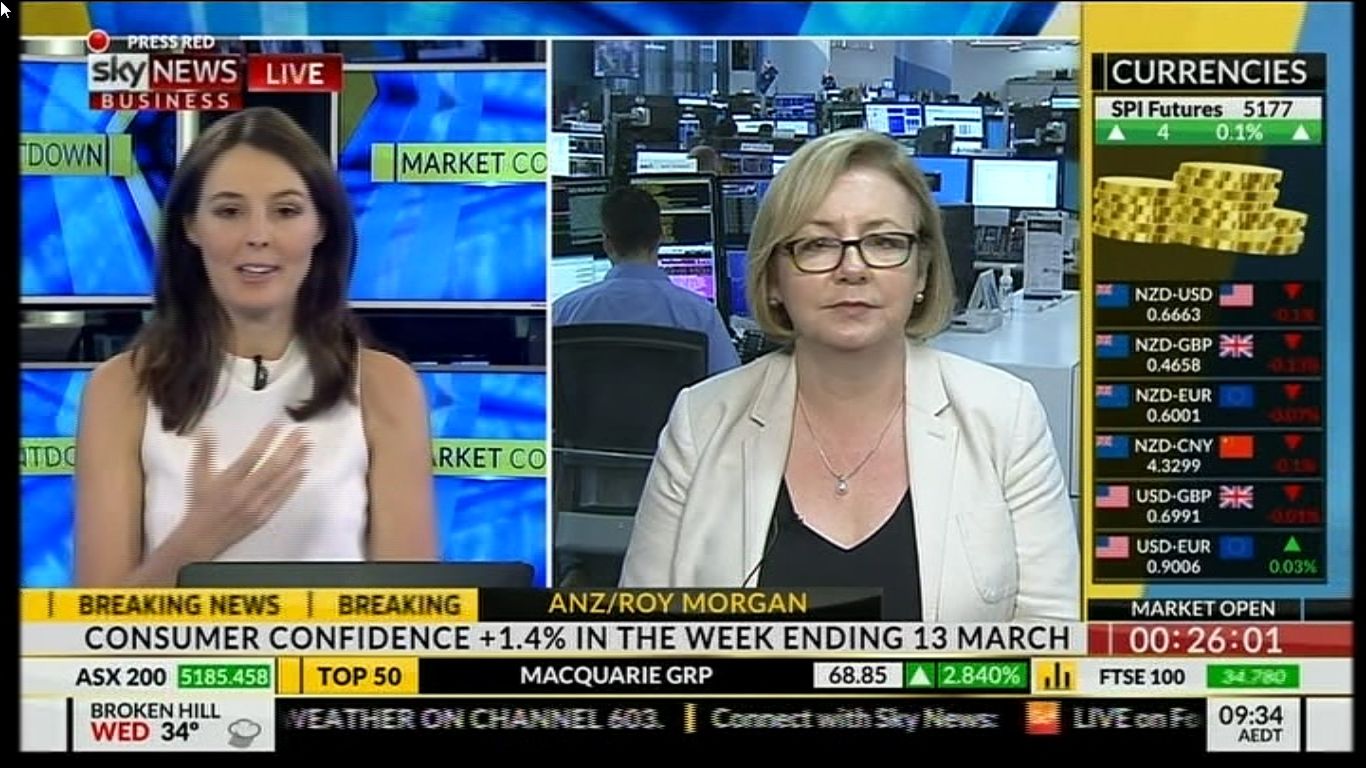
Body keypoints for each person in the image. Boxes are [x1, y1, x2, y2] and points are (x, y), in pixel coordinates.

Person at [620, 130, 1078, 622]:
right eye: (818, 244)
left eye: (884, 242)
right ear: (773, 278)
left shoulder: (1005, 417)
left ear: (922, 273)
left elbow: (1050, 637)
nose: (853, 268)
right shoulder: (701, 421)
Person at [74, 107, 437, 587]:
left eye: (286, 211)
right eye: (229, 212)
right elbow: (92, 624)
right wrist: (197, 543)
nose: (258, 236)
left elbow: (416, 617)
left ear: (321, 226)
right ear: (190, 226)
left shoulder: (386, 387)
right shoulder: (120, 390)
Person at [553, 186, 740, 376]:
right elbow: (731, 385)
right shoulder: (701, 316)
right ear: (660, 239)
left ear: (607, 243)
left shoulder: (563, 313)